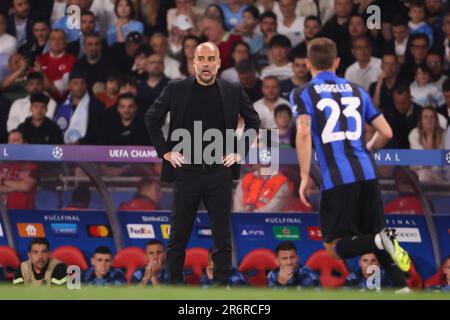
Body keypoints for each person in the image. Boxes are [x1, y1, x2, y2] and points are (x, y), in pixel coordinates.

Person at [292, 37, 411, 292]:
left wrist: (304, 175)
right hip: (367, 173)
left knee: (333, 248)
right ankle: (403, 289)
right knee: (375, 239)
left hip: (338, 178)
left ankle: (380, 240)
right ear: (337, 62)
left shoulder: (304, 92)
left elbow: (303, 133)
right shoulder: (357, 90)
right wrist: (369, 148)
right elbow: (386, 133)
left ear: (307, 63)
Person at [145, 42, 260, 285]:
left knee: (222, 238)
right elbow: (151, 118)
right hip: (186, 172)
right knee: (177, 237)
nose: (206, 64)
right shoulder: (176, 88)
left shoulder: (233, 89)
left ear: (218, 64)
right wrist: (166, 152)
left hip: (220, 173)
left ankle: (220, 288)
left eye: (211, 59)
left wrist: (239, 152)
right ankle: (174, 289)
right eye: (202, 59)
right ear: (194, 62)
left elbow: (253, 122)